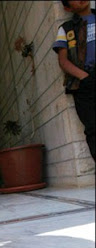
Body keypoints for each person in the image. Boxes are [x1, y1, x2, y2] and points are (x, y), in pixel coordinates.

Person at [52, 0, 95, 161]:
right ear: (67, 7)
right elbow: (63, 61)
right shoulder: (66, 29)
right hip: (85, 82)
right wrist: (84, 77)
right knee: (92, 128)